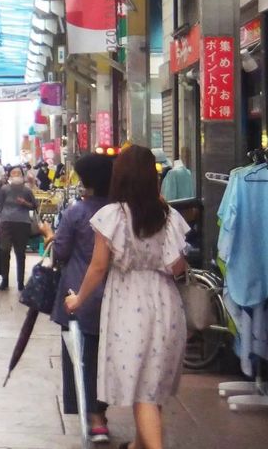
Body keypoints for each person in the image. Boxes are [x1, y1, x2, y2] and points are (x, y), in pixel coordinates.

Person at [65, 146, 189, 449]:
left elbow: (98, 266)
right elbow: (177, 266)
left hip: (128, 305)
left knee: (142, 391)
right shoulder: (168, 214)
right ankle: (138, 445)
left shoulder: (112, 215)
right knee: (153, 383)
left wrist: (78, 300)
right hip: (165, 303)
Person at [39, 153, 115, 444]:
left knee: (81, 357)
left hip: (78, 293)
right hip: (114, 294)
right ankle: (101, 413)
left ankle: (93, 417)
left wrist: (49, 234)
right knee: (105, 357)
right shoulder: (120, 210)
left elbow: (61, 253)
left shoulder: (77, 212)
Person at [0, 165, 37, 291]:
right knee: (4, 250)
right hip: (6, 223)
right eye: (13, 173)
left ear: (22, 175)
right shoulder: (4, 189)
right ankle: (5, 280)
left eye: (18, 173)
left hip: (22, 223)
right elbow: (0, 207)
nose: (16, 175)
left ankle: (20, 282)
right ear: (9, 175)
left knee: (20, 253)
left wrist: (24, 203)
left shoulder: (27, 190)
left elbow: (34, 206)